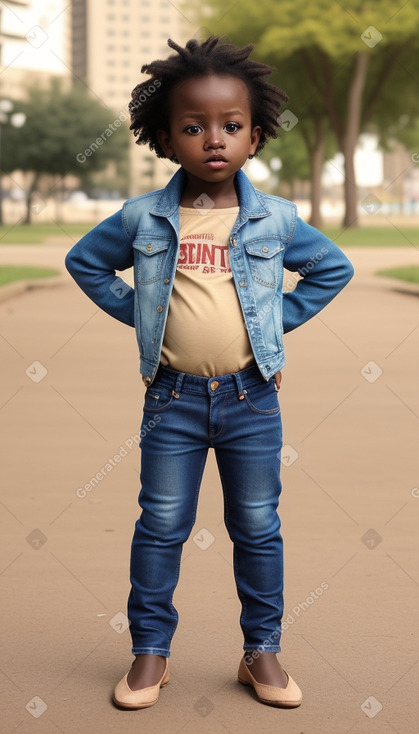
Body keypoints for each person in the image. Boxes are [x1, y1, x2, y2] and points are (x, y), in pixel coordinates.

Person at [65, 36, 354, 710]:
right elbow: (86, 263)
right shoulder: (144, 216)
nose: (212, 140)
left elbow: (330, 269)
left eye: (230, 126)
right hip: (172, 400)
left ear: (255, 136)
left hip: (252, 400)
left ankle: (261, 652)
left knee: (256, 526)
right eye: (193, 127)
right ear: (166, 138)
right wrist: (144, 318)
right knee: (160, 525)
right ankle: (149, 654)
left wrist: (271, 328)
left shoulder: (273, 218)